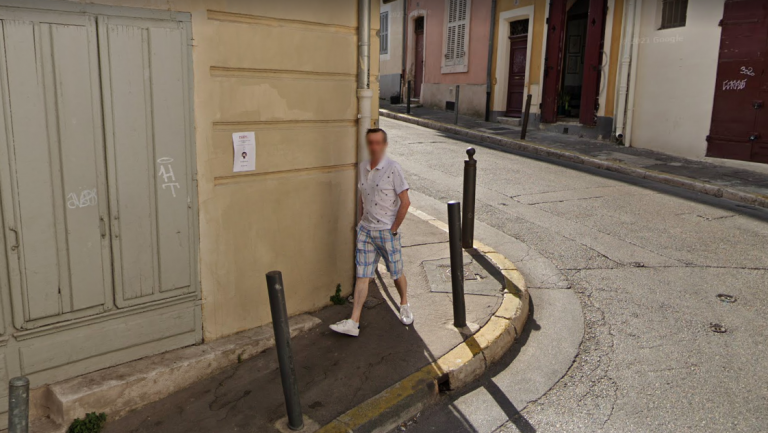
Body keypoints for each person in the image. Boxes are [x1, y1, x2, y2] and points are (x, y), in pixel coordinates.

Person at [330, 128, 412, 337]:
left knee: (396, 273)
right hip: (366, 231)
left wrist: (393, 229)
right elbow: (362, 196)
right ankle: (354, 321)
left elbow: (405, 202)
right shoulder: (363, 167)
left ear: (385, 145)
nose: (374, 147)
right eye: (371, 143)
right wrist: (361, 222)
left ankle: (404, 303)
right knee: (362, 275)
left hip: (386, 231)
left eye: (378, 143)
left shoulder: (393, 168)